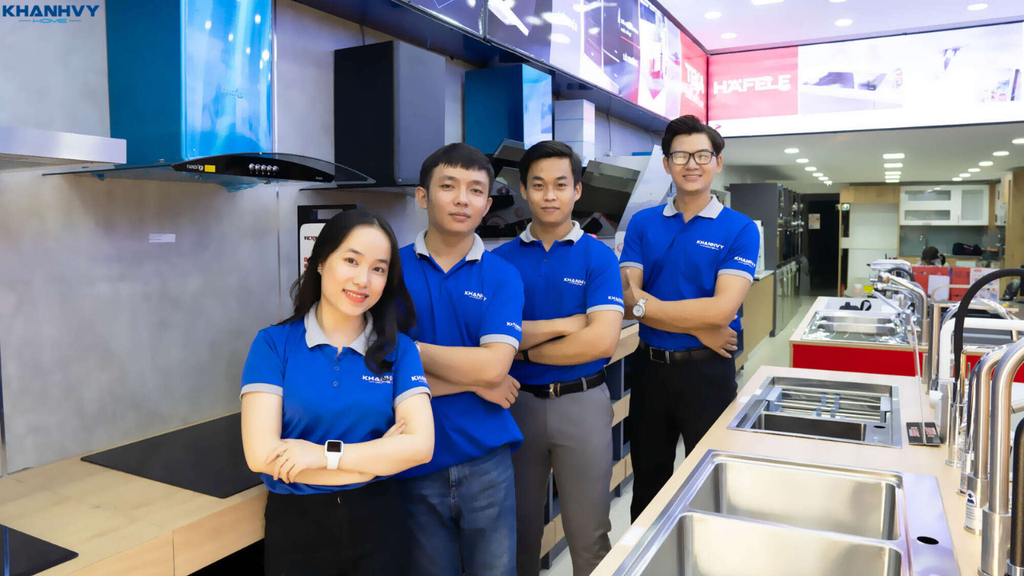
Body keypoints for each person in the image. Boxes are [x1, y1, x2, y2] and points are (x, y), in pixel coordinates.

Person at [239, 210, 434, 576]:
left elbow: (420, 447)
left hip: (381, 522)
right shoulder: (273, 344)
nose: (363, 279)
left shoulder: (401, 350)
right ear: (319, 262)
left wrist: (319, 456)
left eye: (378, 268)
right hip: (296, 528)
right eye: (351, 261)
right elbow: (261, 455)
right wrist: (376, 460)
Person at [492, 141, 624, 576]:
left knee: (590, 537)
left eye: (560, 185)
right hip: (516, 406)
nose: (550, 195)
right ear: (524, 190)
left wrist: (523, 347)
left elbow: (601, 342)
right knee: (517, 536)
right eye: (539, 185)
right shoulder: (500, 261)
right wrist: (567, 324)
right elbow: (491, 339)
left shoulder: (598, 257)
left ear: (577, 190)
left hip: (582, 404)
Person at [620, 115, 760, 522]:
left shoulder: (740, 228)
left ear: (718, 162)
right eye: (680, 156)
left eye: (702, 155)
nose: (691, 164)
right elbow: (625, 301)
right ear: (667, 164)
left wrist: (646, 307)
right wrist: (701, 328)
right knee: (648, 486)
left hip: (707, 373)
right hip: (650, 370)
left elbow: (722, 310)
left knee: (710, 483)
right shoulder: (643, 223)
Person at [397, 143, 526, 576]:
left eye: (475, 190)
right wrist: (474, 380)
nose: (461, 199)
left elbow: (494, 368)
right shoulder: (387, 271)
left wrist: (408, 350)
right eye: (448, 186)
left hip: (486, 461)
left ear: (487, 205)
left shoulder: (502, 275)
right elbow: (376, 373)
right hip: (411, 460)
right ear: (422, 196)